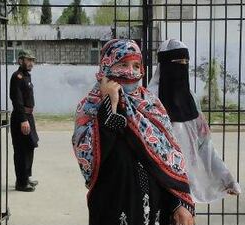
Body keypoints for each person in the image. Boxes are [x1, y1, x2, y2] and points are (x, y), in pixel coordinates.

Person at [72, 39, 195, 225]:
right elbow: (89, 165)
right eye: (122, 64)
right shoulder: (89, 108)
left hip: (155, 212)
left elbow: (171, 160)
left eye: (136, 65)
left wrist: (180, 203)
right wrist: (109, 105)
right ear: (106, 66)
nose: (130, 71)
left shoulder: (152, 105)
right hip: (113, 211)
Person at [148, 39, 241, 203]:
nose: (181, 67)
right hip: (158, 182)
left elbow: (205, 145)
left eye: (185, 62)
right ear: (164, 65)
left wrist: (227, 179)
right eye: (177, 62)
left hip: (186, 186)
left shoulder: (190, 98)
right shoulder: (149, 99)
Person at [9, 50, 39, 192]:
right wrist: (23, 120)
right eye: (28, 60)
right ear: (20, 61)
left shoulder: (27, 77)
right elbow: (17, 100)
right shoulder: (17, 77)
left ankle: (26, 177)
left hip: (28, 117)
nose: (31, 63)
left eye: (32, 60)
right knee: (21, 150)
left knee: (29, 146)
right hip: (21, 118)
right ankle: (21, 182)